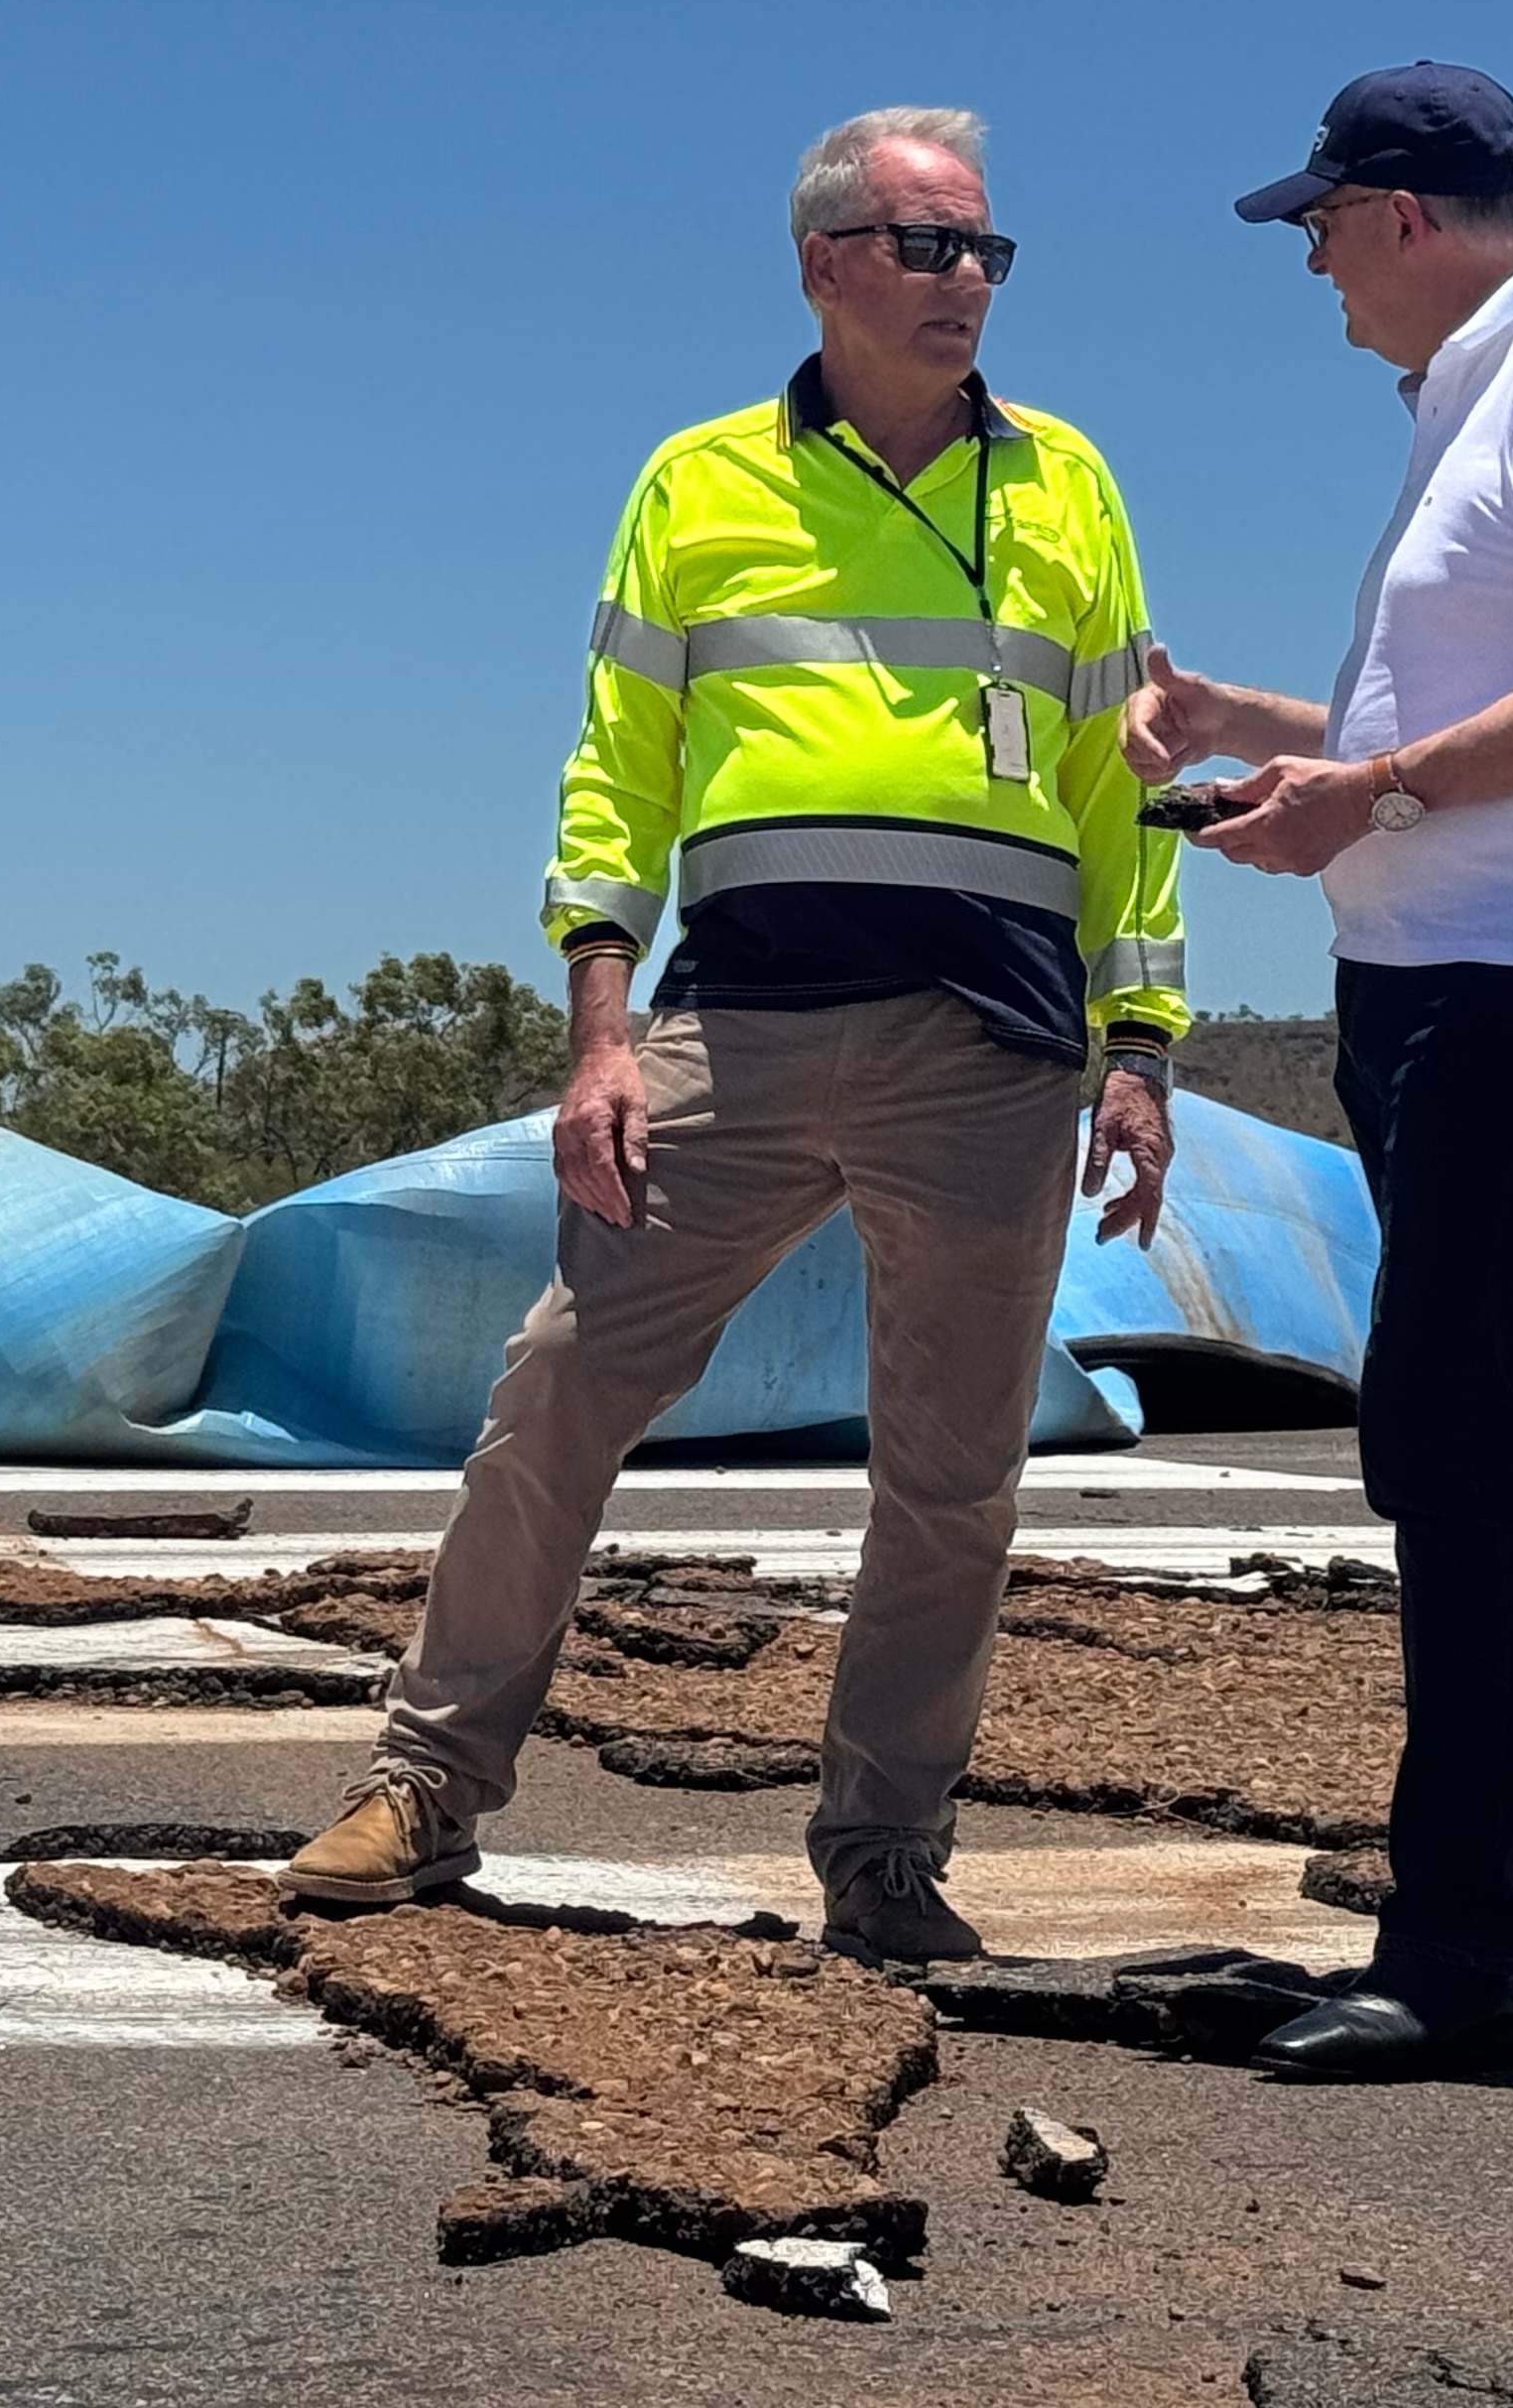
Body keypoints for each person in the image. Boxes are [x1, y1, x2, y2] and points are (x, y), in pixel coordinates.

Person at [280, 105, 1190, 1964]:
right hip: (736, 1035)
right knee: (560, 1388)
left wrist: (1143, 1039)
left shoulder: (1070, 486)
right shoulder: (697, 484)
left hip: (995, 1048)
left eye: (989, 254)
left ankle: (882, 1856)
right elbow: (618, 774)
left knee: (950, 1476)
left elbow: (1121, 781)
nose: (968, 285)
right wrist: (599, 1033)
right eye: (931, 248)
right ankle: (428, 1784)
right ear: (825, 263)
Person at [1125, 62, 1513, 2077]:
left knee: (1449, 1455)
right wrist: (1275, 731)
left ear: (1396, 213)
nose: (1310, 269)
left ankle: (1452, 1952)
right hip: (1458, 983)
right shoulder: (1485, 397)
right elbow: (1464, 710)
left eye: (1314, 228)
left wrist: (1359, 793)